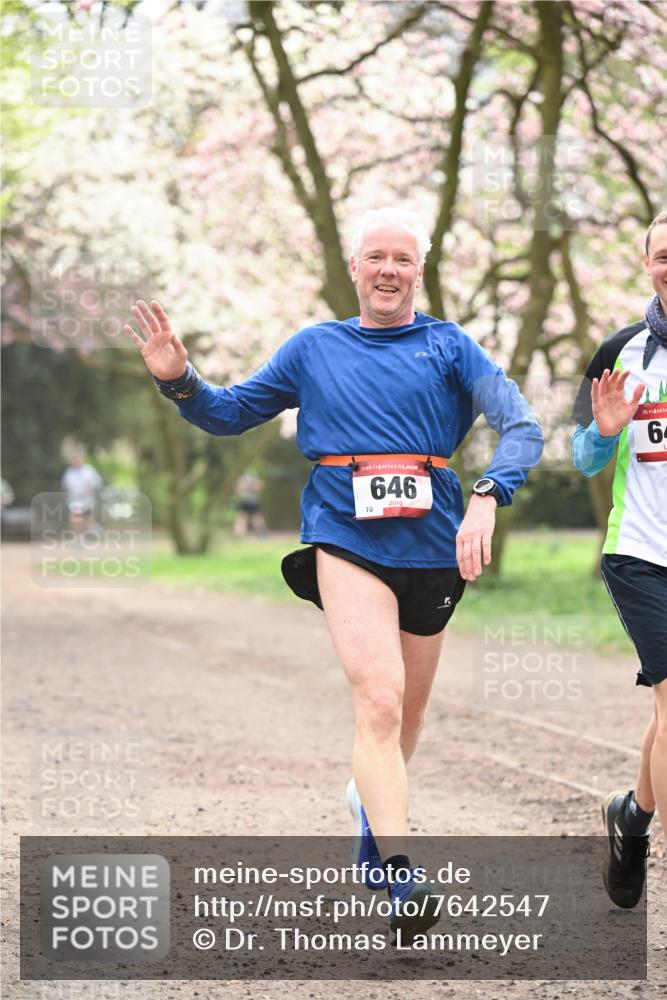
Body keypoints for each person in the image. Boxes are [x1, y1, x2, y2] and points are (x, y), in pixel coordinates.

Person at [124, 206, 543, 940]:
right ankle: (401, 873)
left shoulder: (448, 347)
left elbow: (523, 426)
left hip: (433, 543)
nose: (388, 270)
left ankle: (368, 825)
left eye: (402, 260)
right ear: (354, 268)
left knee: (406, 717)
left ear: (419, 271)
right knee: (378, 701)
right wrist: (180, 380)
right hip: (342, 536)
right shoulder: (314, 347)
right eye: (375, 257)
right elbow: (229, 413)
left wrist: (486, 495)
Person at [572, 209, 667, 910]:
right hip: (640, 552)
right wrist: (605, 435)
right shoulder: (621, 349)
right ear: (646, 265)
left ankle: (630, 820)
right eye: (661, 254)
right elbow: (582, 456)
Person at [61, 452, 103, 538]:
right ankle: (78, 537)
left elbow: (97, 482)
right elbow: (65, 485)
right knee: (75, 519)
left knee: (87, 520)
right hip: (74, 500)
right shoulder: (69, 472)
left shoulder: (89, 470)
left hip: (86, 500)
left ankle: (95, 531)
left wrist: (89, 488)